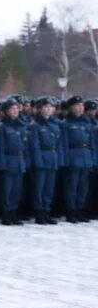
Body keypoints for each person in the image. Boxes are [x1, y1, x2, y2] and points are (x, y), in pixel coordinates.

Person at [0, 98, 30, 225]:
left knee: (17, 189)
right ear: (6, 111)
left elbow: (25, 145)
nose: (15, 111)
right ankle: (6, 213)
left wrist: (26, 161)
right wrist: (1, 163)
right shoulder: (1, 127)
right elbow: (0, 146)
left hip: (19, 160)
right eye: (12, 109)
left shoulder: (21, 126)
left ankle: (14, 212)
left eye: (17, 108)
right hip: (8, 160)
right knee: (7, 190)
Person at [60, 95, 93, 223]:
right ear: (71, 107)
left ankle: (80, 209)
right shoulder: (65, 123)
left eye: (81, 106)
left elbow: (91, 143)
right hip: (73, 156)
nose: (80, 108)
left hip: (85, 156)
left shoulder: (87, 122)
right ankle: (71, 211)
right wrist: (65, 160)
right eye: (77, 106)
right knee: (72, 187)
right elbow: (63, 143)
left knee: (83, 187)